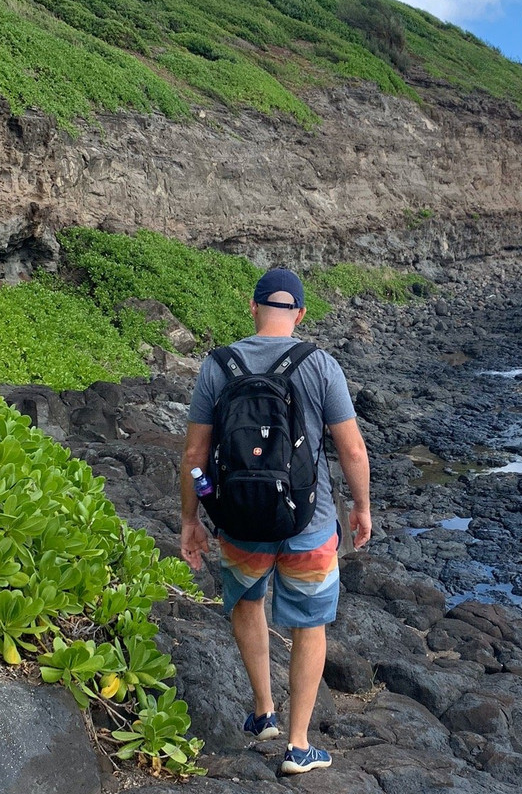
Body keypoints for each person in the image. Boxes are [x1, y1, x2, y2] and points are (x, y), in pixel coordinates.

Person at [179, 268, 371, 775]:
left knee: (247, 599)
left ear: (253, 307)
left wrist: (191, 519)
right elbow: (351, 448)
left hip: (240, 519)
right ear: (301, 314)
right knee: (310, 625)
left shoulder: (217, 365)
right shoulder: (319, 364)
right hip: (309, 521)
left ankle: (263, 711)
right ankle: (298, 745)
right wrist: (361, 507)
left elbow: (195, 455)